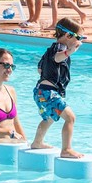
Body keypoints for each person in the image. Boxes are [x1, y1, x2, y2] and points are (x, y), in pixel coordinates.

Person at [30, 18, 84, 158]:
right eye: (78, 37)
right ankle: (66, 149)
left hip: (40, 91)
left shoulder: (49, 49)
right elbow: (57, 59)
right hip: (49, 93)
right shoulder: (61, 48)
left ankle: (37, 142)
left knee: (49, 118)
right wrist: (69, 51)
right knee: (70, 118)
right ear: (68, 36)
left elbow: (40, 69)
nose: (80, 41)